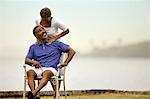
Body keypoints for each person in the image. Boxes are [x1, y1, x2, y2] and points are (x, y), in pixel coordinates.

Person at [25, 25, 75, 99]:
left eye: (43, 29)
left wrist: (66, 62)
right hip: (39, 68)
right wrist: (34, 62)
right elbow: (26, 60)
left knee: (47, 72)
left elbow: (72, 51)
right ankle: (33, 95)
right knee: (29, 72)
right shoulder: (33, 47)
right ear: (36, 36)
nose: (43, 31)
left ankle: (34, 93)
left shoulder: (56, 43)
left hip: (51, 68)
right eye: (39, 31)